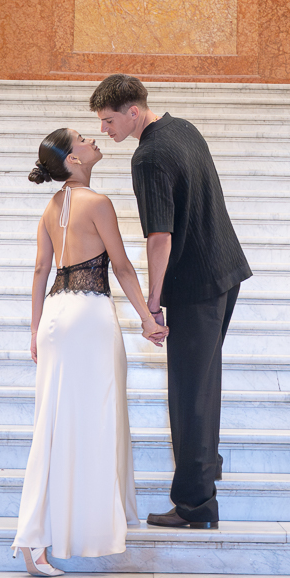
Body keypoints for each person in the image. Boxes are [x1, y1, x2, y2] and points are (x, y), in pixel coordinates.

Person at [90, 75, 252, 530]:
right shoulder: (183, 127)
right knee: (203, 386)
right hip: (225, 270)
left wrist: (154, 300)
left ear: (133, 112)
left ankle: (195, 505)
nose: (104, 130)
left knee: (189, 395)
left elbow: (160, 236)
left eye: (109, 121)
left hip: (196, 283)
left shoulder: (148, 157)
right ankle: (205, 470)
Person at [12, 125, 168, 577]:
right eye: (82, 139)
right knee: (94, 422)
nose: (92, 140)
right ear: (73, 160)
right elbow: (121, 266)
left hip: (55, 317)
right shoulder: (97, 203)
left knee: (52, 425)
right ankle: (79, 529)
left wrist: (35, 329)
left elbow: (40, 271)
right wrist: (148, 317)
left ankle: (36, 539)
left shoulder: (50, 207)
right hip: (90, 316)